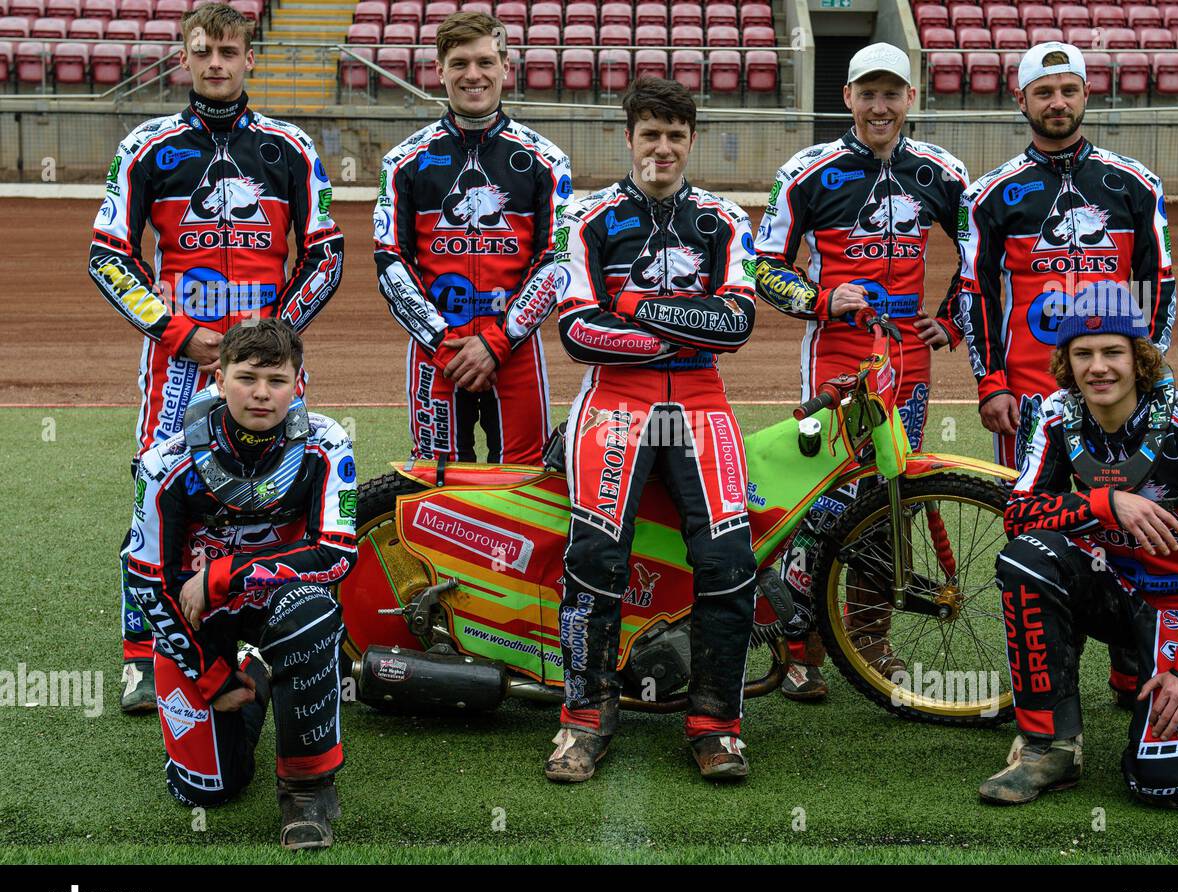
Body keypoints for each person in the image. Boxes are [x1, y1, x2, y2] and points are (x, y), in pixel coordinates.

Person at [89, 2, 344, 713]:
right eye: (203, 51)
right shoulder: (146, 144)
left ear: (250, 58)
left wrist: (268, 341)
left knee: (290, 489)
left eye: (229, 51)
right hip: (178, 359)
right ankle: (146, 653)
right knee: (157, 493)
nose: (216, 63)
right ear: (185, 56)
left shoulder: (291, 145)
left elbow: (326, 254)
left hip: (266, 362)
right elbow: (109, 256)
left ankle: (274, 631)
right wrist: (176, 331)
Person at [544, 77, 758, 783]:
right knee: (595, 559)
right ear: (629, 139)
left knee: (729, 563)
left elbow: (737, 325)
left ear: (690, 141)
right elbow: (577, 332)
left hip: (702, 406)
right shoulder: (586, 217)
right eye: (649, 134)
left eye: (674, 135)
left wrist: (632, 305)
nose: (661, 148)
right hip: (613, 404)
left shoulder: (726, 218)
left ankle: (715, 724)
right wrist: (679, 333)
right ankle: (584, 717)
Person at [979, 282, 1178, 808]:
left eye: (1112, 352)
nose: (1098, 367)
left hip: (1177, 601)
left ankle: (1139, 665)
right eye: (1082, 354)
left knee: (1170, 787)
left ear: (1140, 359)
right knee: (1026, 558)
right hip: (1109, 583)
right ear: (1066, 361)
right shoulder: (1058, 414)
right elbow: (1018, 515)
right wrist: (1105, 505)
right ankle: (1050, 746)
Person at [754, 42, 969, 700]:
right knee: (821, 498)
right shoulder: (807, 169)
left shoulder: (943, 171)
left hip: (908, 357)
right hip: (838, 352)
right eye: (867, 93)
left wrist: (953, 318)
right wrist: (820, 300)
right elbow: (762, 266)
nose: (880, 106)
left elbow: (984, 256)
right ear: (847, 98)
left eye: (892, 93)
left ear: (911, 99)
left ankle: (869, 637)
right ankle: (800, 646)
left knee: (892, 499)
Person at [124, 320, 356, 849]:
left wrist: (226, 573)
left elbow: (337, 554)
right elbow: (145, 578)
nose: (260, 393)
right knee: (206, 790)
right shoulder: (165, 461)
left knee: (312, 616)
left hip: (280, 603)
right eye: (246, 377)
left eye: (276, 380)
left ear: (298, 383)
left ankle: (306, 789)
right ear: (219, 378)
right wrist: (212, 678)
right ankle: (249, 680)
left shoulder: (328, 442)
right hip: (198, 621)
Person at [950, 41, 1176, 474]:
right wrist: (991, 384)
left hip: (1113, 379)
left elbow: (1156, 280)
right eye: (1044, 92)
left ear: (1087, 93)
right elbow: (976, 295)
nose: (1058, 103)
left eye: (1068, 91)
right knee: (1031, 515)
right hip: (1026, 392)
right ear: (1021, 100)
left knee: (1120, 511)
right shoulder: (985, 196)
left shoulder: (1138, 183)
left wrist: (1145, 365)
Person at [374, 10, 571, 465]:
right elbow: (390, 261)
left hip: (515, 349)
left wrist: (497, 343)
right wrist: (443, 343)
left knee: (526, 484)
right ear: (439, 70)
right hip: (436, 352)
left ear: (506, 68)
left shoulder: (547, 159)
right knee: (436, 486)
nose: (473, 74)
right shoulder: (402, 161)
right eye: (459, 63)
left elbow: (556, 259)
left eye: (485, 61)